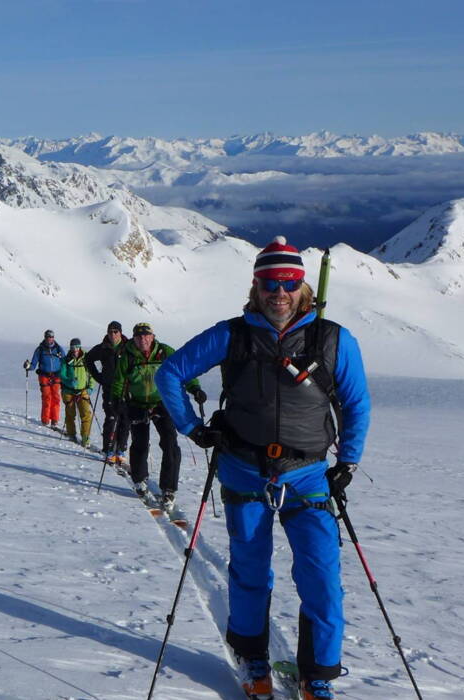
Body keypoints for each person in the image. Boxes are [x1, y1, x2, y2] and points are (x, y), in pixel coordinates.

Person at [153, 236, 371, 700]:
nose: (280, 293)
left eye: (289, 282)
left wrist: (347, 463)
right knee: (250, 570)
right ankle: (252, 654)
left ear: (303, 286)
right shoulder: (232, 334)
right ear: (256, 286)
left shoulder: (333, 340)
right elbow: (168, 373)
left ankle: (319, 675)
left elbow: (356, 403)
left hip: (309, 475)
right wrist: (193, 428)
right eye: (270, 282)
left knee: (322, 577)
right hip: (244, 471)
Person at [109, 322, 203, 513]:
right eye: (138, 337)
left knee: (170, 443)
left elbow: (184, 369)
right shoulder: (127, 354)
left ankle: (168, 489)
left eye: (146, 336)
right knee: (140, 444)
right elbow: (119, 379)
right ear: (134, 338)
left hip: (163, 403)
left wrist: (195, 388)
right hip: (136, 403)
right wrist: (116, 400)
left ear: (152, 336)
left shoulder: (165, 352)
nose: (142, 340)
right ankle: (139, 480)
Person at [84, 321, 129, 466]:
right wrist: (98, 377)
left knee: (125, 419)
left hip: (126, 388)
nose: (113, 334)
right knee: (111, 418)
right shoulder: (102, 347)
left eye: (116, 331)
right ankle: (108, 450)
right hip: (109, 388)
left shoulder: (129, 346)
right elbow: (88, 359)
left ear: (120, 332)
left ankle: (120, 449)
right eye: (110, 331)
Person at [23, 330, 65, 430]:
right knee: (46, 397)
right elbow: (33, 364)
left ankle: (54, 420)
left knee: (56, 398)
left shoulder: (59, 349)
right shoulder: (40, 349)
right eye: (47, 337)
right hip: (44, 376)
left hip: (56, 376)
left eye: (51, 337)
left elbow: (65, 362)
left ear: (53, 337)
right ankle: (45, 420)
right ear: (45, 337)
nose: (49, 339)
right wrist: (28, 366)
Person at [58, 338, 95, 447]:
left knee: (86, 415)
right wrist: (69, 381)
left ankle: (85, 438)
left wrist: (91, 387)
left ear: (80, 347)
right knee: (70, 414)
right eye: (73, 348)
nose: (75, 350)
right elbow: (62, 375)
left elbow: (91, 374)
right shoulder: (65, 360)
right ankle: (71, 434)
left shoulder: (86, 359)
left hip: (83, 391)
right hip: (68, 391)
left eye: (77, 347)